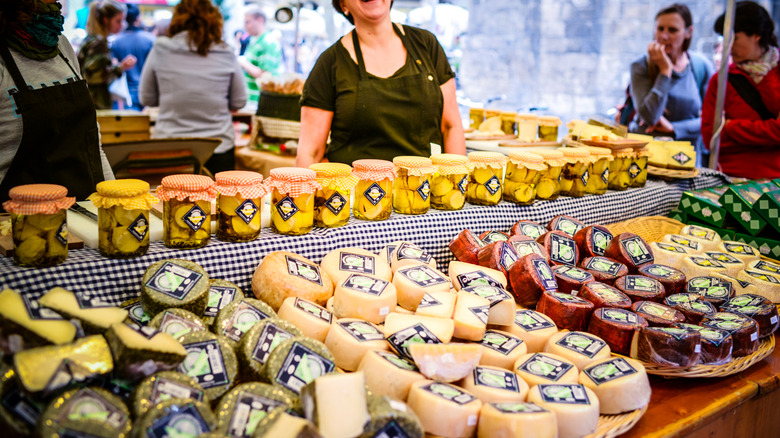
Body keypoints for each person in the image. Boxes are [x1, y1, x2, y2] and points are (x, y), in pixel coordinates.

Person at [296, 0, 466, 166]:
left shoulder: (426, 45)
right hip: (352, 191)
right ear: (343, 5)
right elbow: (310, 152)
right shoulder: (330, 62)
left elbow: (451, 127)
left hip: (423, 188)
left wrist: (457, 187)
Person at [0, 0, 114, 204]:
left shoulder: (60, 44)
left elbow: (92, 144)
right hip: (20, 222)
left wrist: (113, 201)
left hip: (83, 212)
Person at [139, 0, 247, 174]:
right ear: (215, 21)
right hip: (218, 147)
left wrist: (173, 93)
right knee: (219, 201)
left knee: (172, 201)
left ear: (176, 20)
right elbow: (239, 101)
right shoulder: (225, 51)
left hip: (171, 145)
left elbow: (147, 98)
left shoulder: (161, 48)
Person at [702, 1, 780, 179]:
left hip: (776, 182)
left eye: (734, 38)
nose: (728, 47)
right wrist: (770, 136)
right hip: (729, 179)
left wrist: (731, 127)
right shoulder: (720, 81)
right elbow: (710, 139)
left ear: (756, 35)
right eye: (725, 40)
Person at [629, 4, 713, 166]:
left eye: (672, 30)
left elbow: (711, 122)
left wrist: (674, 128)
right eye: (660, 29)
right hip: (648, 160)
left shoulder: (700, 67)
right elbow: (650, 116)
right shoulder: (641, 66)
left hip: (687, 160)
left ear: (688, 32)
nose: (664, 36)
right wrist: (665, 71)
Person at [78, 0, 136, 109]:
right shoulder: (98, 43)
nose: (122, 25)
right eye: (118, 21)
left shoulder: (95, 40)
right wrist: (119, 68)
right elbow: (92, 76)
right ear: (106, 20)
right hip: (95, 104)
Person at [110, 3, 154, 111]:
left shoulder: (116, 41)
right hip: (147, 91)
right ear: (138, 19)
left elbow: (114, 67)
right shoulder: (151, 40)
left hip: (125, 95)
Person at [238, 5, 282, 108]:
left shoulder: (268, 42)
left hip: (259, 102)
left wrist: (243, 63)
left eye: (247, 22)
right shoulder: (255, 40)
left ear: (260, 20)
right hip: (251, 100)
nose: (245, 26)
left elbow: (266, 75)